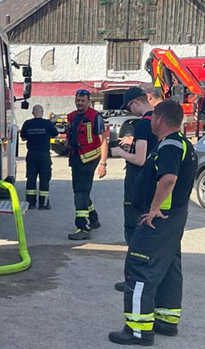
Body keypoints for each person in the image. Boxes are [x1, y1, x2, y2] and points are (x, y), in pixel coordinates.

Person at [108, 99, 197, 346]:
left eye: (153, 118)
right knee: (169, 267)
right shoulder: (183, 144)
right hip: (174, 218)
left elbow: (168, 179)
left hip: (158, 219)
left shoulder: (168, 145)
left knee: (139, 268)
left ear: (159, 119)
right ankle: (166, 320)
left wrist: (153, 209)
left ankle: (138, 330)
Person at [110, 86, 158, 244]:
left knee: (133, 222)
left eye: (129, 106)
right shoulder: (158, 121)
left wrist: (119, 152)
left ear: (136, 102)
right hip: (152, 179)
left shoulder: (142, 125)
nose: (130, 111)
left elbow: (139, 159)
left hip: (137, 181)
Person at [66, 89, 108, 240]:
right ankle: (94, 219)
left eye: (83, 101)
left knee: (80, 192)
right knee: (80, 191)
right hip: (76, 158)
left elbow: (103, 141)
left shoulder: (95, 117)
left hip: (90, 159)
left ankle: (82, 227)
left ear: (88, 102)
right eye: (78, 100)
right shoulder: (72, 117)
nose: (80, 103)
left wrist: (103, 163)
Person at [20, 105, 58, 209]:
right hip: (44, 155)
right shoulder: (47, 123)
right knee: (44, 179)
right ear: (43, 112)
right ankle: (43, 204)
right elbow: (55, 134)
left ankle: (31, 203)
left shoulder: (27, 123)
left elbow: (23, 137)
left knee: (31, 178)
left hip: (31, 154)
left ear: (32, 113)